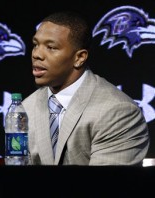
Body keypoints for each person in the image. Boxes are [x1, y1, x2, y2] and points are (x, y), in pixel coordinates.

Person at [22, 10, 149, 166]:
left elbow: (109, 186)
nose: (37, 54)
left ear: (79, 58)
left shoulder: (117, 112)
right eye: (36, 45)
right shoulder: (25, 109)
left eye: (51, 47)